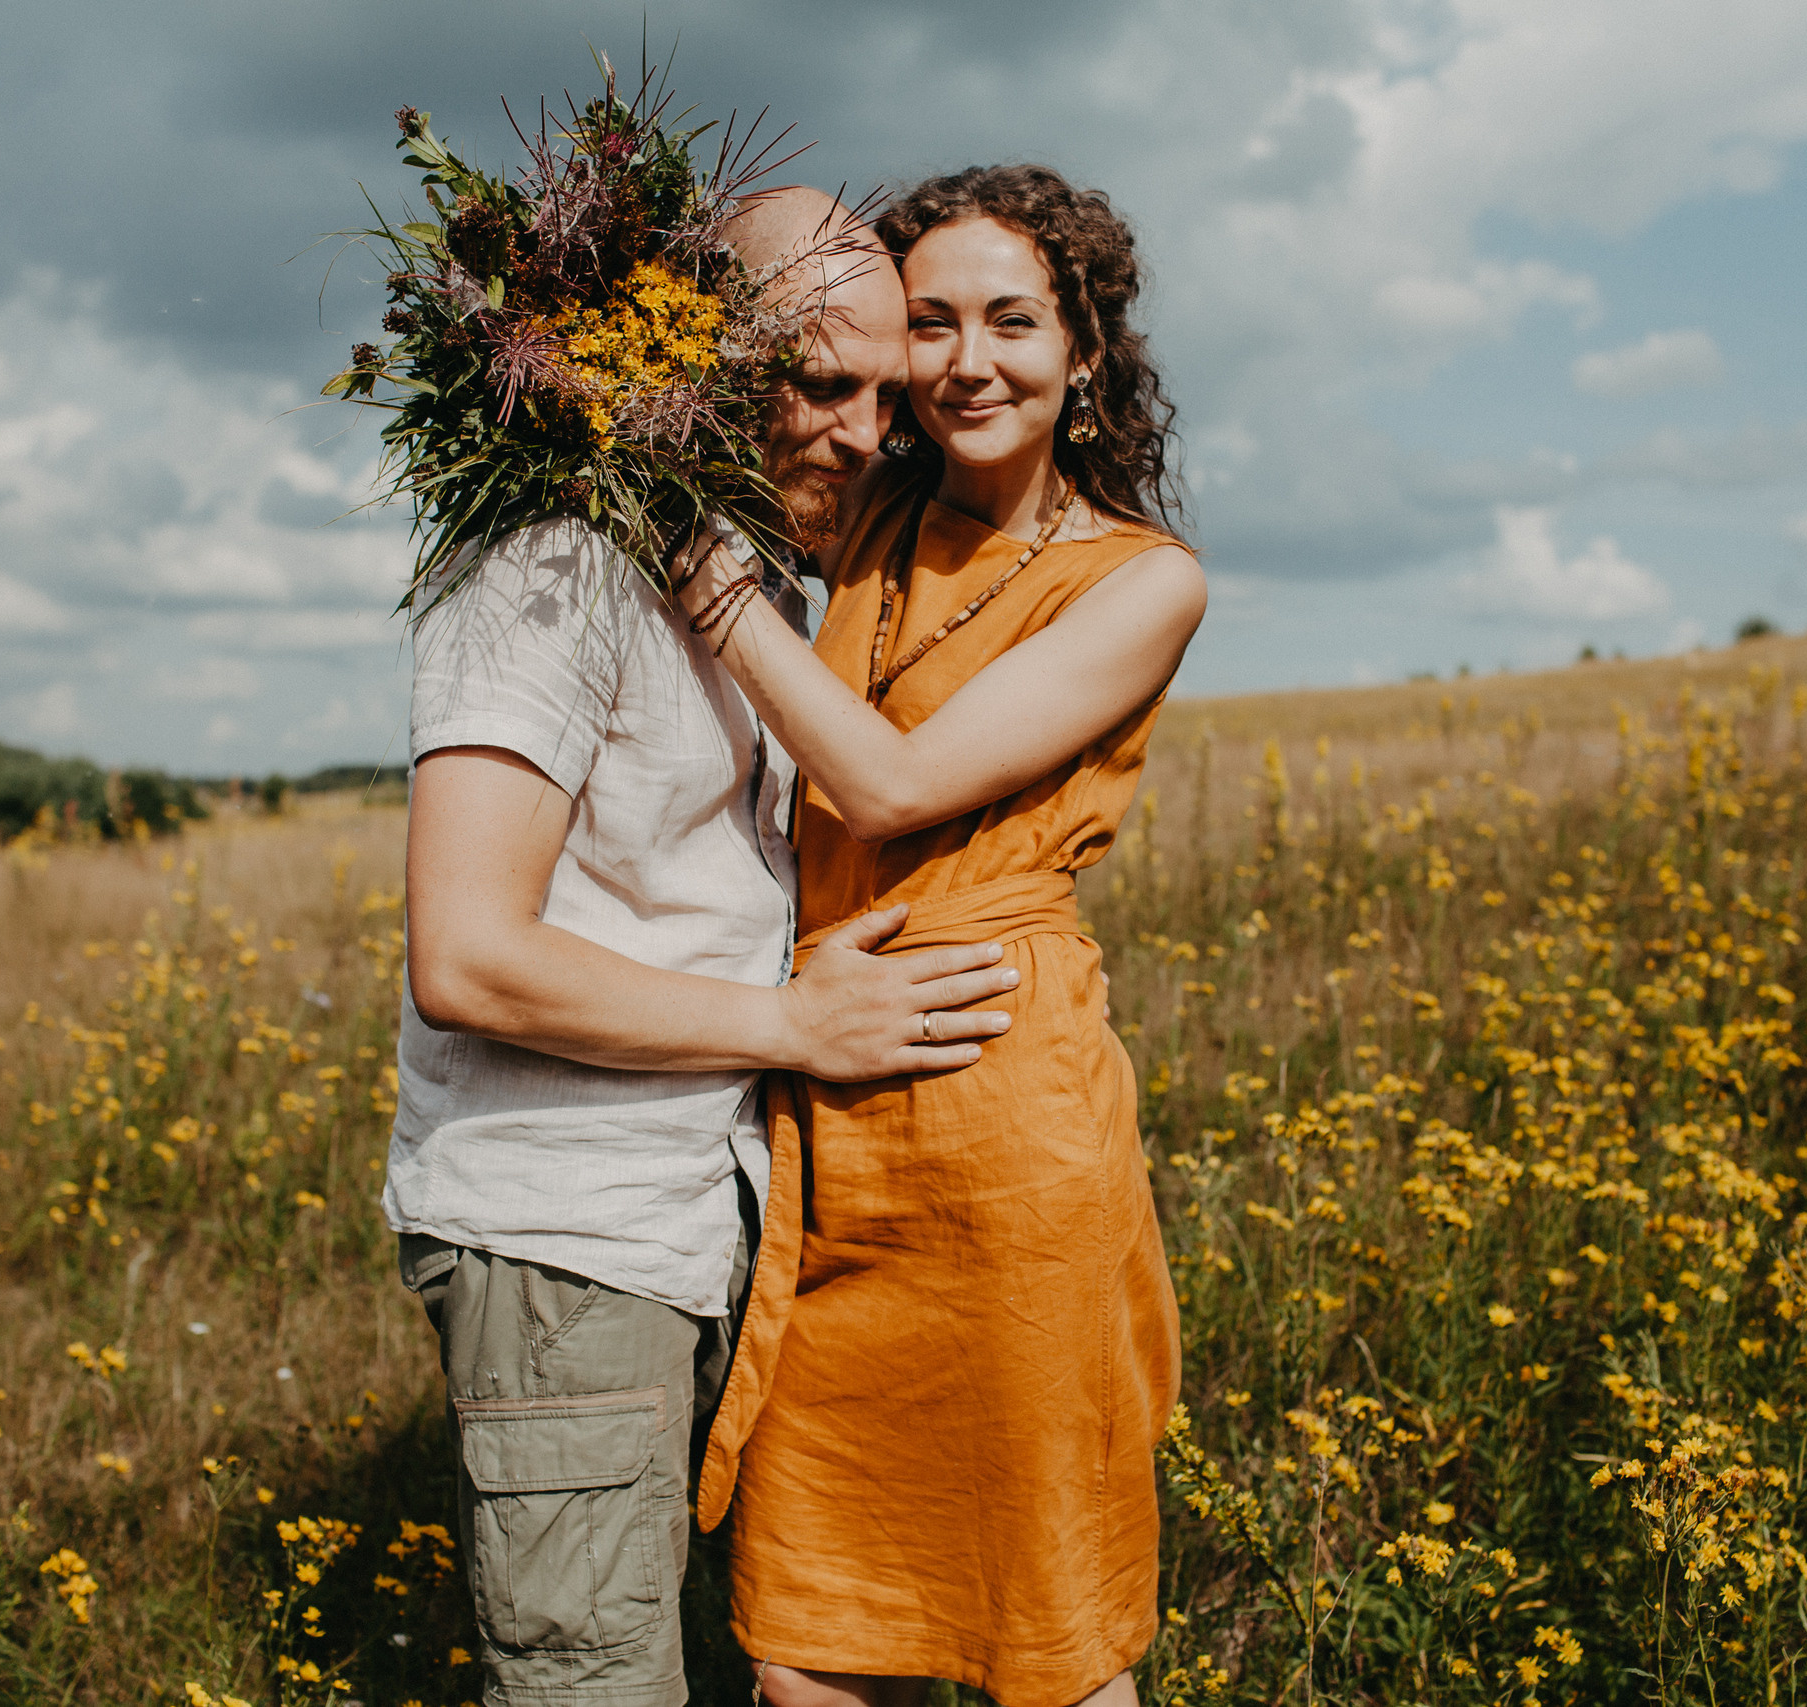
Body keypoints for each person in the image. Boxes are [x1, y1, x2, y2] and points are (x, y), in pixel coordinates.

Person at [388, 186, 1024, 1707]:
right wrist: (798, 1029)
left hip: (711, 1225)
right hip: (571, 1235)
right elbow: (467, 956)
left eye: (888, 398)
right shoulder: (548, 567)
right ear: (698, 361)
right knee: (595, 1686)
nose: (868, 432)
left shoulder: (748, 592)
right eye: (820, 381)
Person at [674, 165, 1205, 1707]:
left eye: (1014, 320)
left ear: (1085, 348)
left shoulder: (1144, 582)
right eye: (932, 322)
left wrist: (704, 582)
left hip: (999, 1104)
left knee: (1051, 1632)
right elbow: (729, 390)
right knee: (804, 1655)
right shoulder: (871, 511)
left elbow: (892, 782)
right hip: (827, 1116)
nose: (969, 359)